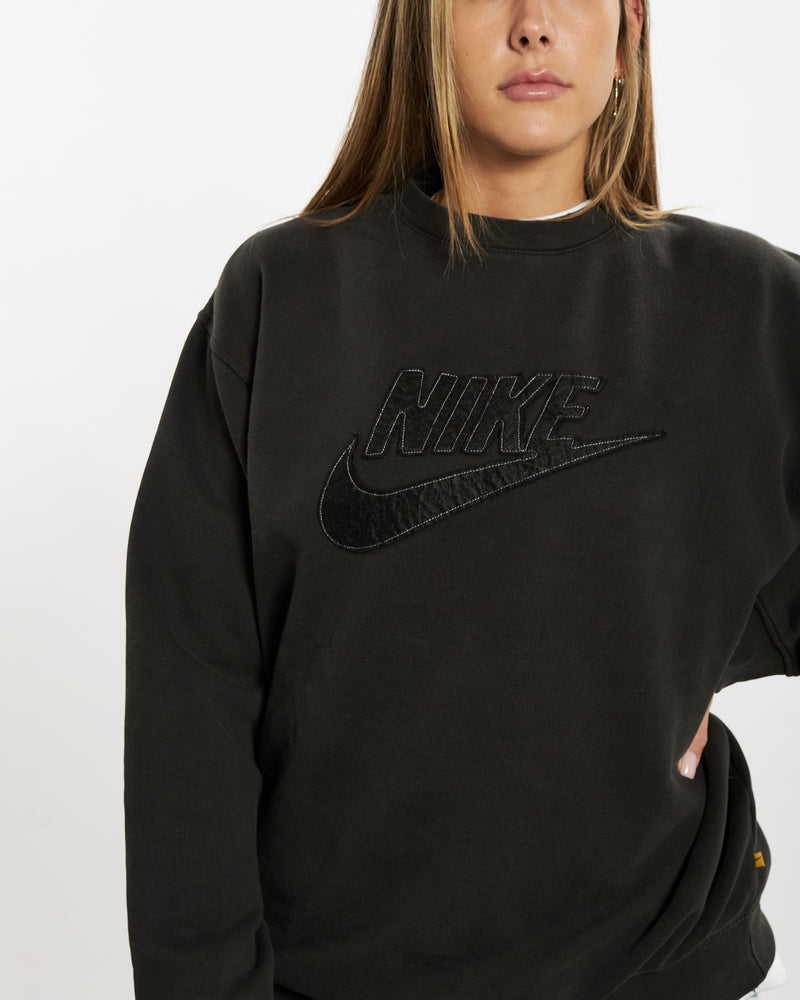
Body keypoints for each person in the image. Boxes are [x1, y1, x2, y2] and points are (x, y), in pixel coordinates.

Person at [123, 1, 799, 997]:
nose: (533, 24)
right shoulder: (284, 296)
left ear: (628, 29)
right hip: (335, 974)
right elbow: (191, 693)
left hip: (656, 962)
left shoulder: (751, 305)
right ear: (421, 24)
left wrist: (677, 663)